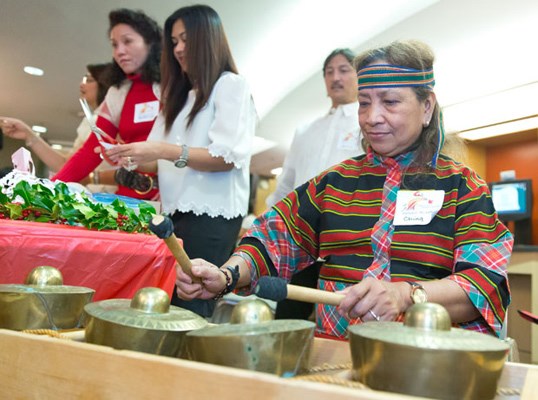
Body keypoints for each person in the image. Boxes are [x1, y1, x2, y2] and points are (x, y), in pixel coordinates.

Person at [173, 39, 512, 340]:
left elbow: (482, 284)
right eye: (364, 103)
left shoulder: (462, 186)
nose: (372, 117)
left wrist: (407, 295)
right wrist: (226, 275)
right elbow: (273, 238)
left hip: (426, 363)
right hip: (336, 358)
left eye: (390, 102)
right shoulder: (334, 183)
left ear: (426, 108)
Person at [106, 5, 256, 317]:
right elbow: (155, 158)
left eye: (186, 39)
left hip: (212, 216)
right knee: (165, 303)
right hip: (173, 217)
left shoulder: (230, 85)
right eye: (174, 41)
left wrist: (160, 150)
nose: (178, 48)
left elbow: (226, 156)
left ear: (208, 39)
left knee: (190, 308)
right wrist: (124, 155)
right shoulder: (179, 97)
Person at [266, 48, 363, 320]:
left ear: (358, 76)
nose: (336, 77)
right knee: (288, 321)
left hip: (347, 242)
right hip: (303, 241)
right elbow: (286, 185)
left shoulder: (367, 124)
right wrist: (270, 224)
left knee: (340, 322)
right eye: (329, 71)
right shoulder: (305, 130)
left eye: (344, 69)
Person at [52, 9, 162, 200]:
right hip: (129, 200)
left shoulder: (174, 85)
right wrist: (49, 188)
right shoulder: (118, 92)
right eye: (114, 44)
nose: (119, 51)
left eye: (127, 41)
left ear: (150, 43)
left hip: (173, 201)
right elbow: (90, 151)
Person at [0, 63, 112, 178]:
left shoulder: (108, 122)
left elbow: (68, 165)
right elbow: (65, 164)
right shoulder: (90, 121)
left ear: (105, 84)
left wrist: (93, 179)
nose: (82, 85)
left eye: (89, 80)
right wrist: (28, 134)